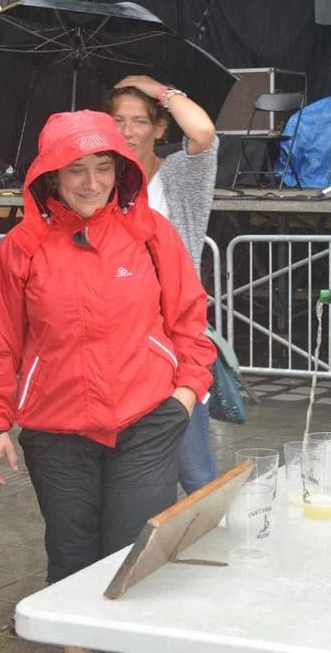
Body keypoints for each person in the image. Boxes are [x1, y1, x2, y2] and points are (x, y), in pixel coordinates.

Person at [0, 111, 216, 595]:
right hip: (56, 430)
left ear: (121, 170)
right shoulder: (21, 247)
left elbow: (190, 319)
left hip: (146, 421)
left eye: (103, 167)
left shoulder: (151, 234)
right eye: (76, 170)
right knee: (72, 564)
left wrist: (186, 394)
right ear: (51, 176)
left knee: (133, 560)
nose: (91, 183)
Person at [106, 74, 220, 494]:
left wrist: (159, 90)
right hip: (121, 341)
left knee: (193, 470)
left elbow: (203, 132)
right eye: (118, 120)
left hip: (175, 339)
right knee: (135, 475)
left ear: (159, 128)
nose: (127, 131)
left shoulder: (178, 176)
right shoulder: (100, 186)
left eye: (139, 121)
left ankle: (209, 531)